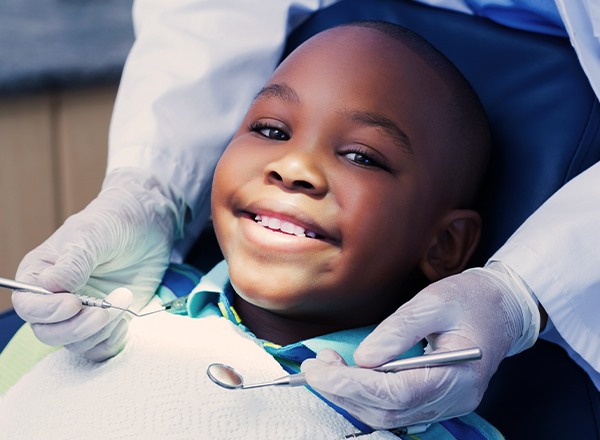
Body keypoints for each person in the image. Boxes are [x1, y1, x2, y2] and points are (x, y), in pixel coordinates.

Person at [10, 0, 599, 430]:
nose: (294, 167)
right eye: (269, 130)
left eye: (362, 156)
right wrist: (149, 188)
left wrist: (521, 292)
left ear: (446, 245)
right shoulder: (93, 315)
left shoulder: (427, 415)